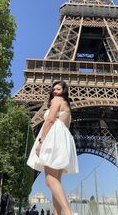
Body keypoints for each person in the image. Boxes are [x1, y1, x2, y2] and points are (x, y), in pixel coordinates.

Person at [27, 81, 79, 215]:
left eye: (58, 89)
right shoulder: (66, 104)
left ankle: (68, 212)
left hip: (53, 138)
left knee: (50, 180)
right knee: (56, 182)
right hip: (63, 140)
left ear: (64, 91)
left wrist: (41, 142)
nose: (55, 91)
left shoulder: (57, 100)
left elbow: (49, 120)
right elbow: (66, 126)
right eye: (54, 89)